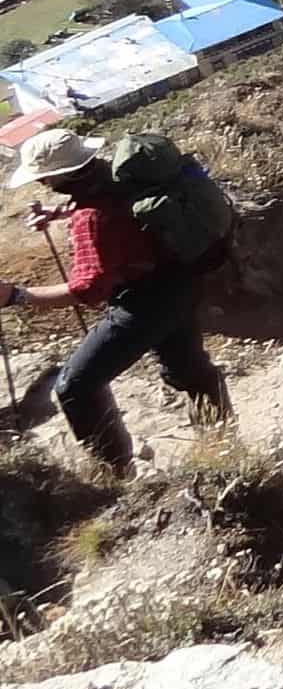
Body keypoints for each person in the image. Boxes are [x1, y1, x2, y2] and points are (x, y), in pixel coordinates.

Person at [0, 129, 229, 473]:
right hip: (180, 282)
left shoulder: (91, 219)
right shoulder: (116, 174)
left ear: (60, 174)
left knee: (76, 385)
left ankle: (115, 471)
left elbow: (89, 290)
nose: (43, 182)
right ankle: (222, 444)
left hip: (142, 303)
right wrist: (60, 214)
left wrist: (16, 296)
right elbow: (115, 206)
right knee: (188, 369)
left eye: (45, 176)